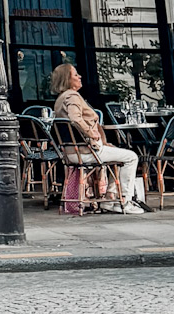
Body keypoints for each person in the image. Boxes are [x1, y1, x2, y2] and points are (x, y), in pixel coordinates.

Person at [50, 62, 145, 213]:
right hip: (85, 151)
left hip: (73, 152)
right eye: (75, 74)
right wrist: (90, 132)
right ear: (67, 79)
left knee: (118, 154)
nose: (80, 76)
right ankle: (125, 202)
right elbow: (75, 118)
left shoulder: (61, 99)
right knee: (131, 157)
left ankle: (109, 198)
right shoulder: (72, 96)